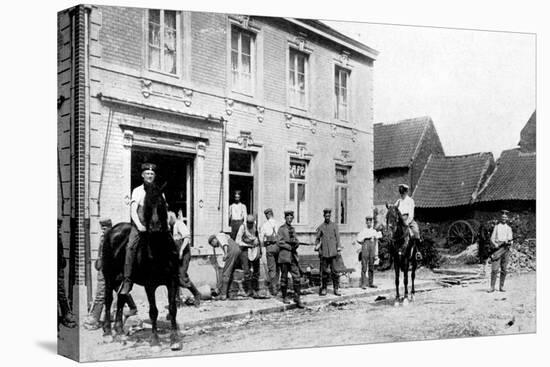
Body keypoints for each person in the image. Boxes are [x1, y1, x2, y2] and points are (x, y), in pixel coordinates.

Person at [120, 163, 167, 295]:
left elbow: (163, 211)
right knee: (130, 247)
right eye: (147, 174)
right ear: (142, 175)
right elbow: (133, 211)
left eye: (152, 174)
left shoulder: (159, 192)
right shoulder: (138, 191)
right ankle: (127, 279)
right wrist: (140, 226)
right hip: (140, 226)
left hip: (155, 228)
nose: (149, 176)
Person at [169, 211, 202, 306]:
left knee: (182, 276)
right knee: (174, 276)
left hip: (184, 254)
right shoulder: (171, 227)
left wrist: (181, 251)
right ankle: (176, 300)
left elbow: (187, 238)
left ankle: (197, 294)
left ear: (171, 219)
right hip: (176, 255)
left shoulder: (179, 224)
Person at [277, 210, 305, 308]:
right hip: (284, 257)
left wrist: (296, 243)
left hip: (293, 257)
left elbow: (296, 240)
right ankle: (284, 297)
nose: (289, 219)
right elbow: (279, 242)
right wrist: (288, 246)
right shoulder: (281, 229)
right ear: (285, 218)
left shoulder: (293, 229)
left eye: (291, 218)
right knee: (284, 277)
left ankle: (297, 298)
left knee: (297, 277)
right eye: (287, 218)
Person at [314, 208, 343, 296]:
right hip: (324, 253)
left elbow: (337, 238)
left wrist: (338, 248)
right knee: (324, 272)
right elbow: (317, 240)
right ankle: (324, 289)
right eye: (326, 216)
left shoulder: (334, 226)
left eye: (329, 216)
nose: (327, 217)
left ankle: (336, 289)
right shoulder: (321, 227)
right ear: (324, 216)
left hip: (333, 253)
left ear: (330, 216)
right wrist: (319, 250)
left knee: (335, 272)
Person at [208, 232, 244, 300]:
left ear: (214, 240)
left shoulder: (219, 236)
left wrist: (226, 254)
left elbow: (225, 244)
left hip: (231, 251)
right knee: (230, 273)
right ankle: (230, 293)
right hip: (236, 250)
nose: (215, 246)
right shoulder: (222, 236)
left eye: (213, 245)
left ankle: (223, 295)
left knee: (225, 273)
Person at [235, 214, 262, 298]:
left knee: (256, 269)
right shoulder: (242, 227)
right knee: (246, 270)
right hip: (245, 249)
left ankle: (255, 288)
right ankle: (249, 289)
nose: (250, 225)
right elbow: (237, 241)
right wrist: (247, 245)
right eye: (249, 223)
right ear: (246, 222)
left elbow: (258, 237)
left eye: (251, 223)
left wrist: (259, 249)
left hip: (254, 248)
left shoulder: (256, 226)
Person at [488, 211, 513, 293]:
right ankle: (492, 287)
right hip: (497, 249)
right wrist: (495, 244)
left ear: (507, 219)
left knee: (504, 269)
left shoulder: (509, 228)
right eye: (502, 217)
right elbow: (492, 238)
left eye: (505, 218)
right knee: (495, 269)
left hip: (505, 249)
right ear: (500, 218)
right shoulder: (496, 227)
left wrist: (509, 242)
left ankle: (501, 287)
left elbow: (511, 239)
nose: (504, 219)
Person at [58, 219, 76, 329]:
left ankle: (66, 314)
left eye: (58, 227)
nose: (58, 229)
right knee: (61, 293)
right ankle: (66, 314)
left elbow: (60, 254)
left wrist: (62, 262)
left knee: (61, 292)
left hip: (58, 269)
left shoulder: (58, 237)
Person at [355, 215, 382, 289]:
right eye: (368, 221)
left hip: (372, 248)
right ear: (366, 222)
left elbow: (378, 237)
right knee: (364, 266)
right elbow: (358, 239)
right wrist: (363, 243)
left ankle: (371, 283)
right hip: (365, 247)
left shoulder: (374, 231)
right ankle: (363, 284)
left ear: (372, 222)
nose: (369, 223)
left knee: (371, 266)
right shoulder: (363, 231)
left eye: (370, 221)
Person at [260, 208, 280, 296]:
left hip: (270, 247)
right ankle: (277, 285)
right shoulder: (277, 223)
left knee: (272, 268)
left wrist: (262, 248)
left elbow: (261, 239)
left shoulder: (264, 225)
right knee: (278, 267)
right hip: (278, 247)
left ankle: (274, 288)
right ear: (272, 214)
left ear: (267, 215)